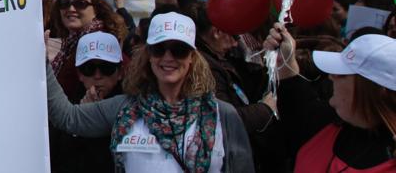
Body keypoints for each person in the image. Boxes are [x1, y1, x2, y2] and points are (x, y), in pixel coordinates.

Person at [47, 11, 254, 172]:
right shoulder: (124, 108)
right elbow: (68, 117)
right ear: (149, 55)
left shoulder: (222, 115)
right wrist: (42, 62)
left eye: (179, 50)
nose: (168, 57)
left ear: (192, 57)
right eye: (159, 49)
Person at [264, 24, 396, 170]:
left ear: (371, 91)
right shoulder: (327, 123)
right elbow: (295, 96)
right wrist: (284, 59)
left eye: (343, 74)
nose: (332, 76)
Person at [193, 6, 283, 172]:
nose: (235, 43)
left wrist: (270, 60)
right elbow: (225, 120)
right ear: (217, 32)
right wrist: (265, 109)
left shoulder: (220, 58)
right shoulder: (206, 67)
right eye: (234, 35)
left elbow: (249, 81)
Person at [50, 31, 126, 172]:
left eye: (106, 68)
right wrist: (80, 125)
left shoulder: (130, 108)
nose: (97, 76)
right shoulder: (65, 104)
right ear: (79, 74)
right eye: (89, 69)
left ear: (120, 72)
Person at [48, 0, 130, 102]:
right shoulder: (71, 41)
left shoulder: (101, 41)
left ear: (96, 8)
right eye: (64, 3)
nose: (71, 8)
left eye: (80, 3)